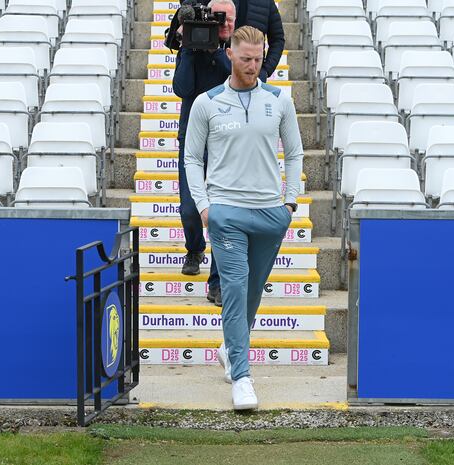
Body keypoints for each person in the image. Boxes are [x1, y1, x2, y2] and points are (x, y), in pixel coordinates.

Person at [184, 26, 303, 410]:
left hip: (271, 213)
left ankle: (228, 348)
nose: (254, 66)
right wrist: (205, 207)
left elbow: (296, 153)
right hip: (227, 213)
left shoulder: (279, 100)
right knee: (234, 290)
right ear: (230, 55)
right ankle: (242, 376)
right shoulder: (207, 102)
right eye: (247, 59)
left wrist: (290, 203)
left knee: (251, 294)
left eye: (259, 58)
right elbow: (191, 159)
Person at [172, 0, 236, 307]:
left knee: (222, 216)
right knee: (189, 209)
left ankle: (217, 283)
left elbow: (236, 82)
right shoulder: (190, 48)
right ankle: (194, 248)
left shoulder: (239, 48)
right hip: (193, 140)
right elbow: (182, 88)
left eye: (225, 20)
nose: (220, 26)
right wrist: (187, 47)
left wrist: (215, 51)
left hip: (226, 141)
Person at [233, 0, 285, 83]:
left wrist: (266, 70)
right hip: (221, 72)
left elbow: (277, 39)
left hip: (254, 75)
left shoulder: (267, 2)